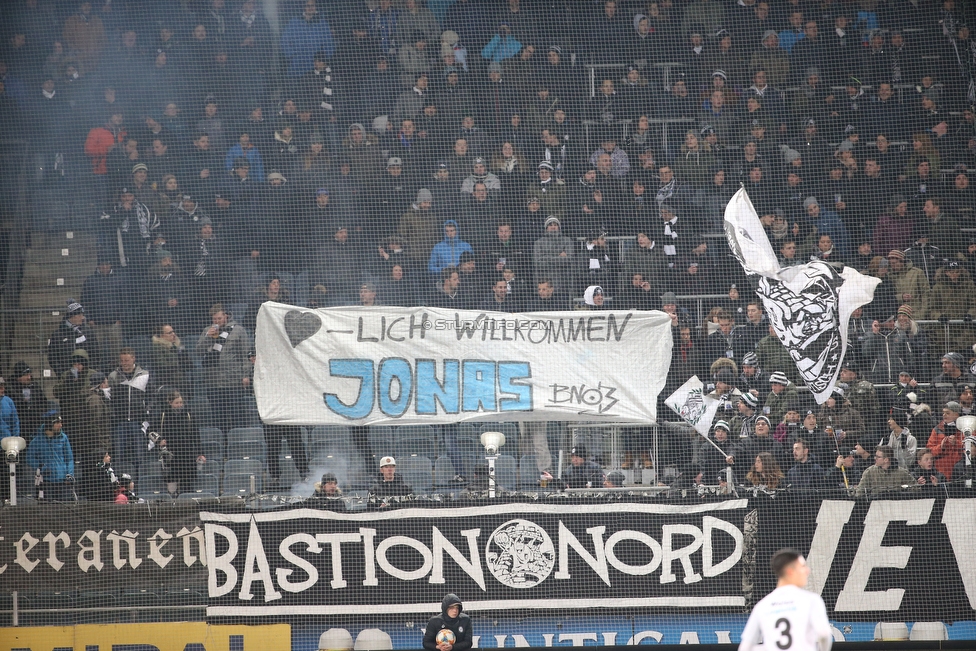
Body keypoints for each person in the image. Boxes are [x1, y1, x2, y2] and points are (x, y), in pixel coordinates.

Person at [738, 549, 832, 651]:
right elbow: (824, 634)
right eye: (803, 566)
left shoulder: (762, 606)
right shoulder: (811, 600)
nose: (807, 571)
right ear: (790, 571)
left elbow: (745, 647)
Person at [150, 390, 204, 496]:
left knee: (187, 486)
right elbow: (150, 431)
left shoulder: (189, 415)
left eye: (181, 402)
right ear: (170, 403)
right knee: (172, 487)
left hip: (187, 456)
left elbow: (196, 436)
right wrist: (159, 441)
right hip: (170, 455)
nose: (179, 405)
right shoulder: (163, 416)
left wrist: (200, 453)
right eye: (177, 403)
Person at [26, 415, 75, 501]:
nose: (61, 425)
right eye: (57, 423)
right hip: (45, 482)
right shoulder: (37, 441)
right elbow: (29, 457)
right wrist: (41, 467)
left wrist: (69, 474)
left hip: (62, 480)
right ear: (50, 424)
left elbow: (69, 458)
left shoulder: (63, 438)